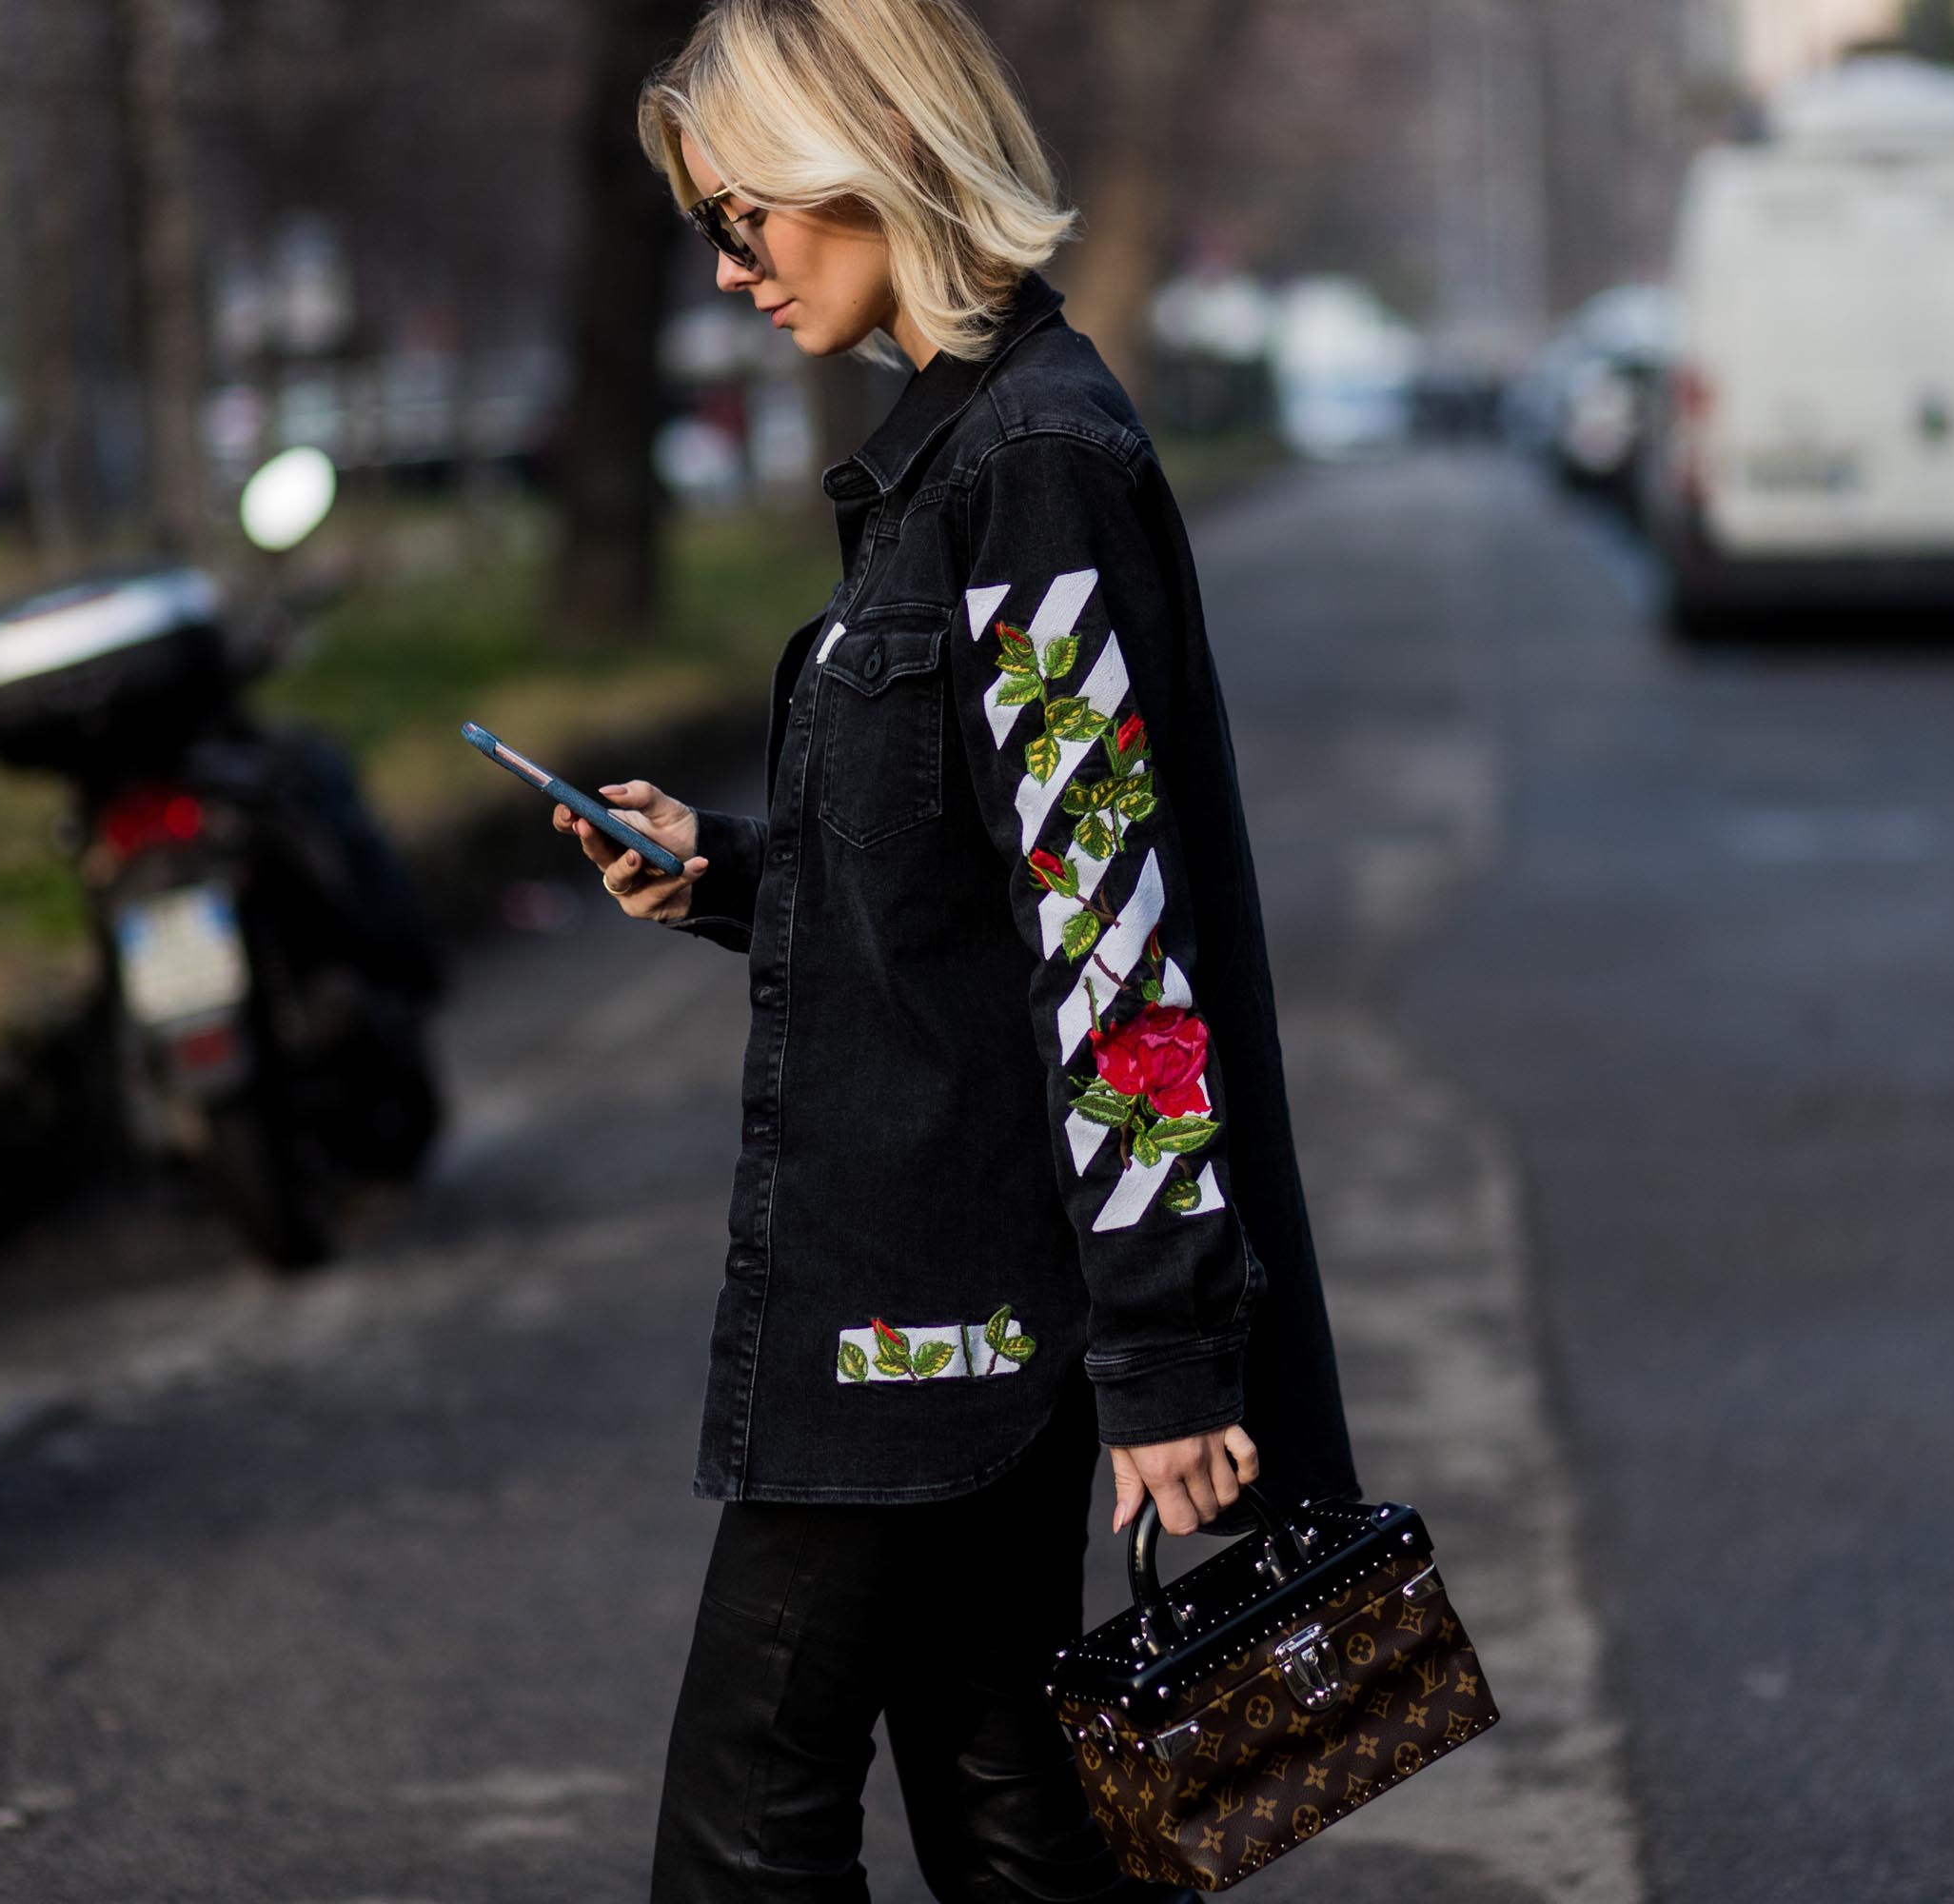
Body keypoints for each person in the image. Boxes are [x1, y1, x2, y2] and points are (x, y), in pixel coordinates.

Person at [551, 2, 1357, 1894]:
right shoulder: (955, 462)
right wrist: (729, 874)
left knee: (746, 1828)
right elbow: (979, 876)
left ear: (875, 166)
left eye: (748, 216)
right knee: (1009, 1793)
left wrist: (1170, 1355)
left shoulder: (1030, 469)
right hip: (949, 1282)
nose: (732, 265)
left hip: (934, 1310)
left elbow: (1113, 942)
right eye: (707, 230)